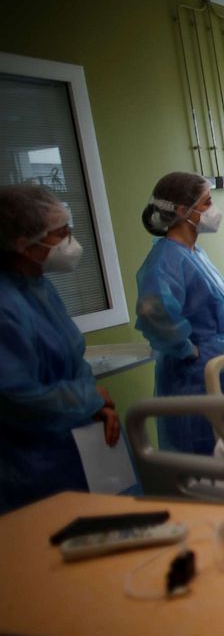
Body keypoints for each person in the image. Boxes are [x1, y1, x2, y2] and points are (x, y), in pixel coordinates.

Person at [0, 184, 120, 513]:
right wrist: (89, 398)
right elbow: (16, 397)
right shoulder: (6, 304)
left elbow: (71, 356)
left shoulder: (40, 286)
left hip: (76, 442)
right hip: (30, 463)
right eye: (61, 232)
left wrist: (96, 406)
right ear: (22, 242)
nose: (70, 239)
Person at [135, 172, 224, 454]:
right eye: (207, 202)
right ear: (183, 211)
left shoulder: (193, 252)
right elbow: (153, 310)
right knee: (204, 446)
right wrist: (187, 350)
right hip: (194, 372)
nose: (213, 209)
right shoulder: (166, 258)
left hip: (219, 357)